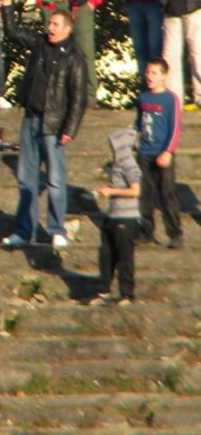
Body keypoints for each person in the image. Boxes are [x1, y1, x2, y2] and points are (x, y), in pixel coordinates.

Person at [0, 6, 87, 250]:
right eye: (50, 24)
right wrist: (8, 7)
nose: (50, 28)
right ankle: (24, 231)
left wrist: (69, 129)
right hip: (30, 119)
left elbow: (79, 98)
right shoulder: (39, 44)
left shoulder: (74, 57)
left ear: (67, 29)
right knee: (26, 179)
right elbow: (13, 32)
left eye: (56, 25)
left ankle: (56, 229)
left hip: (54, 125)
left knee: (55, 180)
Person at [91, 129, 142, 307]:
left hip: (126, 218)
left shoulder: (129, 165)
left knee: (124, 256)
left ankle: (127, 294)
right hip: (112, 215)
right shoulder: (116, 165)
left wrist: (110, 191)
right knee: (106, 255)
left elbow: (135, 190)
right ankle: (102, 290)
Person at [135, 59, 182, 248]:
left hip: (163, 152)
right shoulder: (143, 98)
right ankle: (146, 231)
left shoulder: (170, 99)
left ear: (164, 76)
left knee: (167, 194)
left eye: (153, 73)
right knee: (144, 194)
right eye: (147, 73)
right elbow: (138, 124)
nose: (149, 76)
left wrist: (168, 151)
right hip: (144, 152)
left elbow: (175, 128)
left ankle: (175, 233)